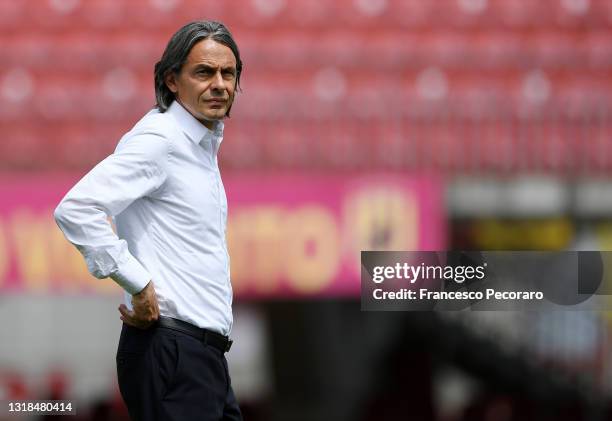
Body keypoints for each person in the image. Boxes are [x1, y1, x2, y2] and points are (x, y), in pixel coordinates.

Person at [54, 20, 243, 421]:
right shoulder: (161, 140)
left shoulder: (198, 145)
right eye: (204, 72)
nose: (220, 84)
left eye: (229, 73)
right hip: (172, 350)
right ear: (172, 81)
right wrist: (136, 283)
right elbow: (76, 208)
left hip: (202, 357)